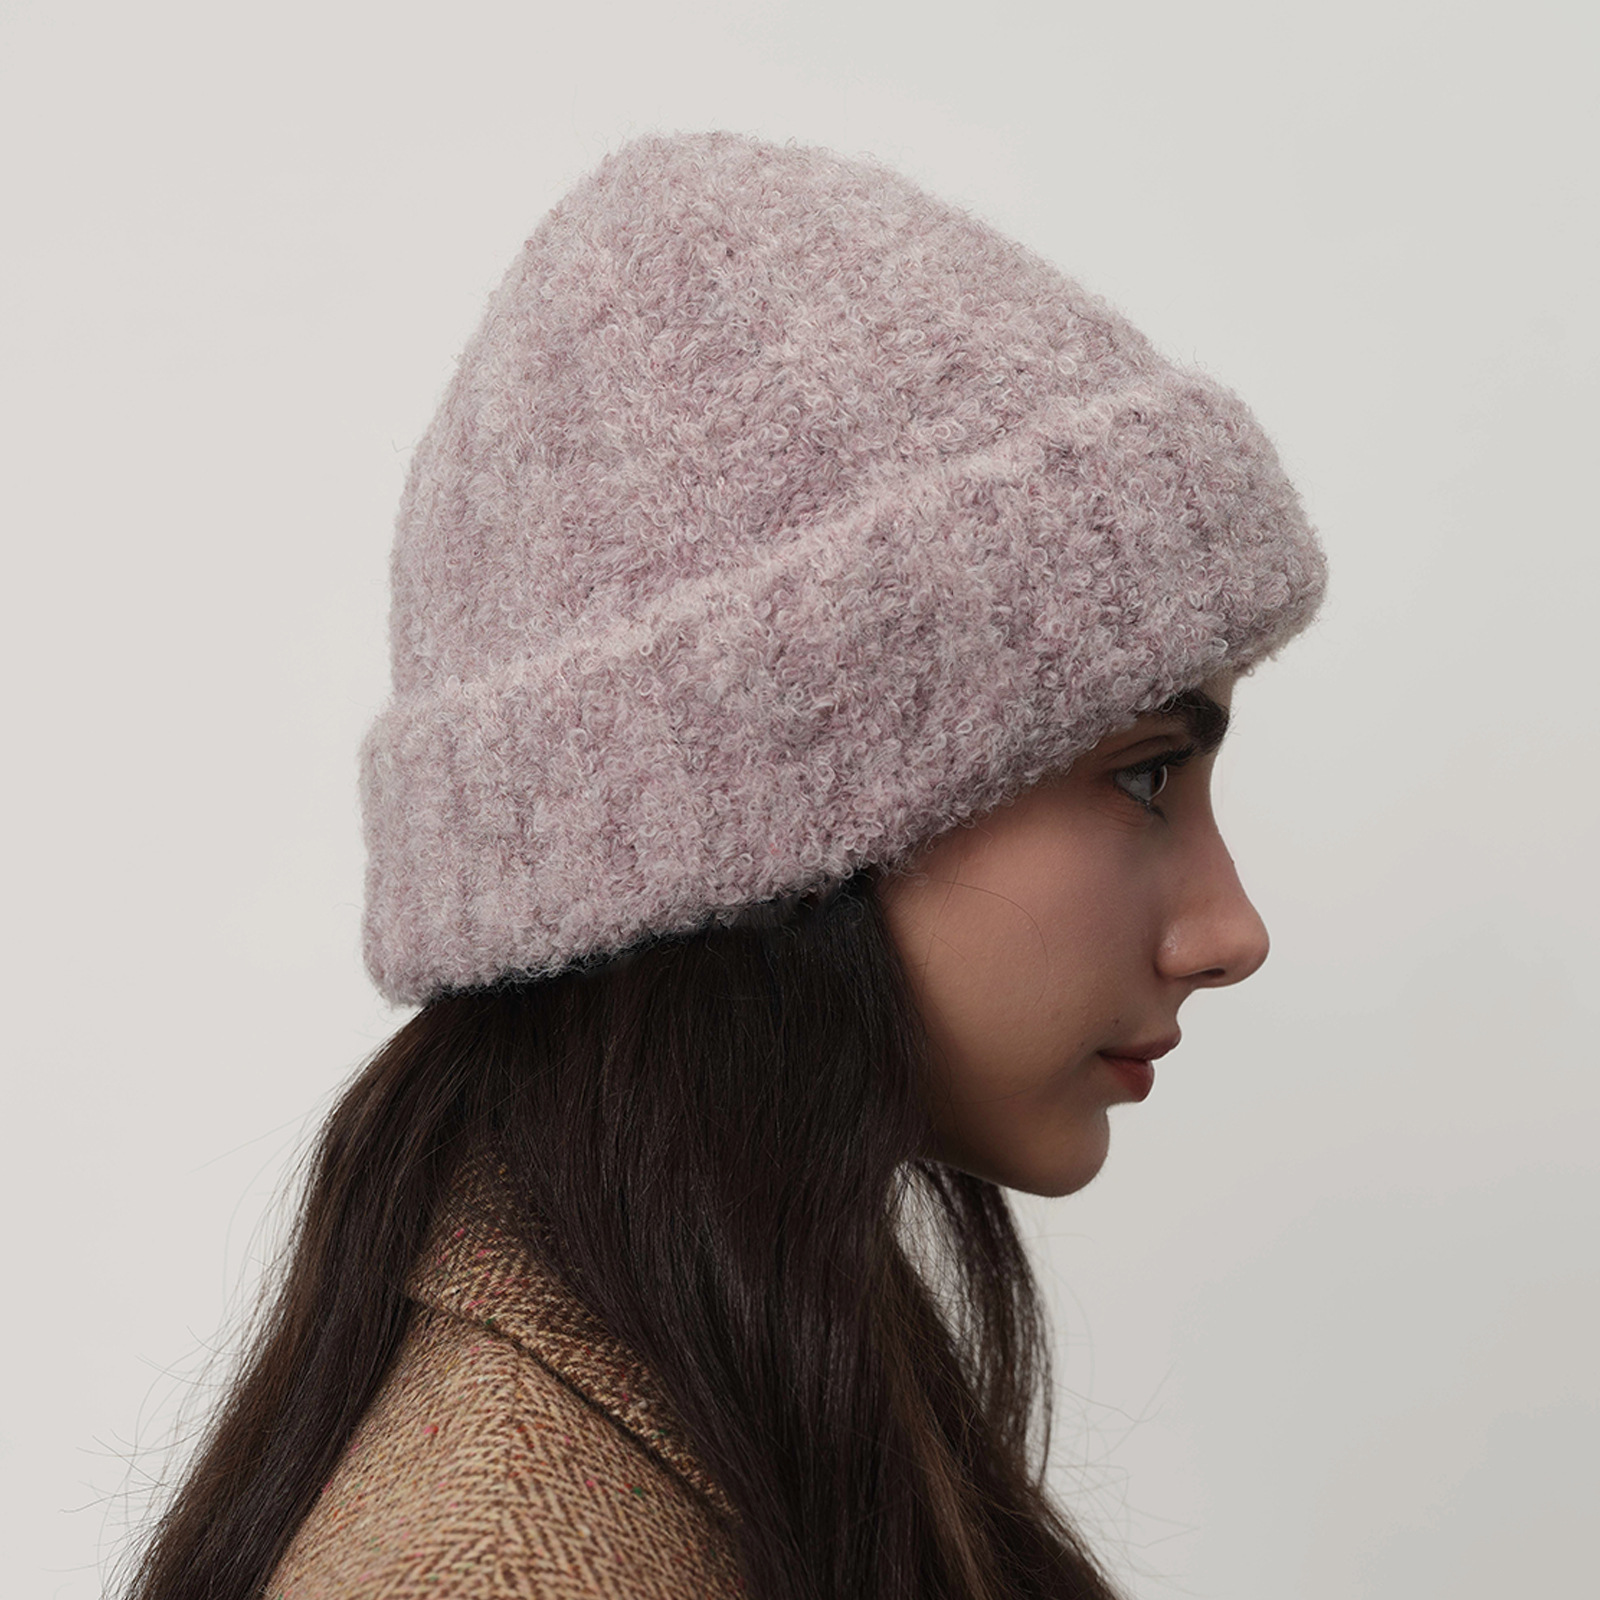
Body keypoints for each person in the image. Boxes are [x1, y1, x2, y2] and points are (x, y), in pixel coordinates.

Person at [123, 131, 1325, 1600]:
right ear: (780, 835)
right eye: (1143, 773)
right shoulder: (509, 1559)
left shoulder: (734, 1372)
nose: (1231, 929)